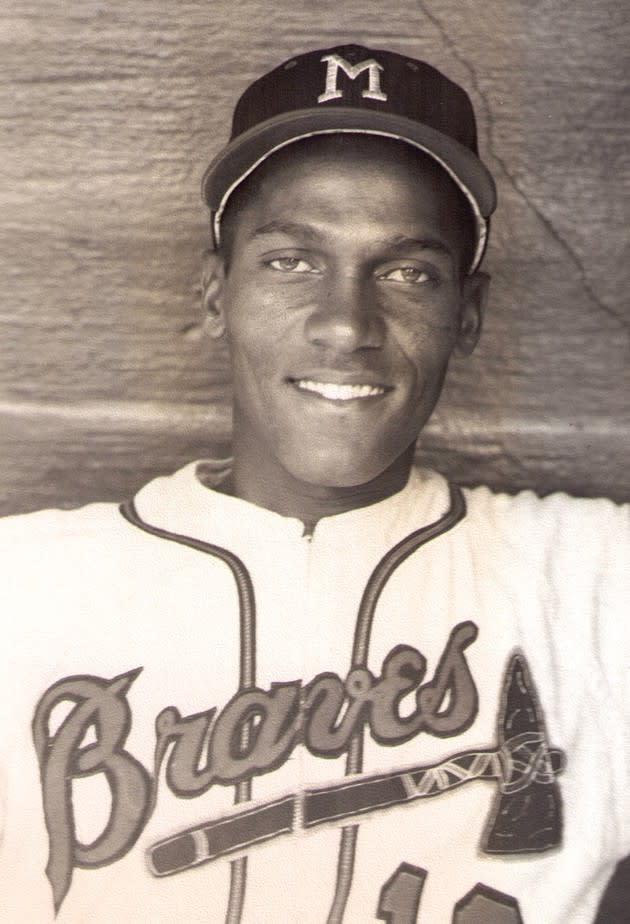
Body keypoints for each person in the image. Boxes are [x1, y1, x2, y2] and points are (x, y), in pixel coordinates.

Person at [0, 44, 627, 923]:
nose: (346, 324)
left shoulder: (595, 585)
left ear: (469, 313)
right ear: (216, 293)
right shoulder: (22, 590)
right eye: (291, 261)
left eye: (408, 272)